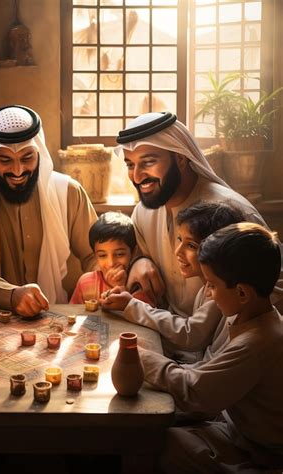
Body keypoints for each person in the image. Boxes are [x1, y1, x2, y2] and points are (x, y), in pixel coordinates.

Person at [141, 223, 283, 472]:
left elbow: (196, 392)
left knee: (164, 442)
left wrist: (140, 357)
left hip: (261, 453)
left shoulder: (257, 343)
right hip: (235, 430)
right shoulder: (251, 319)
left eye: (212, 285)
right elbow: (209, 375)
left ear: (241, 293)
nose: (208, 293)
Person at [113, 111, 283, 316]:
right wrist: (140, 262)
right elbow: (137, 254)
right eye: (130, 165)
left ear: (181, 158)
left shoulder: (228, 211)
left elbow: (275, 289)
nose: (138, 176)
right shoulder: (143, 212)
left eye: (148, 162)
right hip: (169, 335)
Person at [0, 105, 97, 316]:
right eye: (5, 160)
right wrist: (10, 295)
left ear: (39, 154)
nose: (17, 171)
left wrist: (107, 278)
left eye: (27, 158)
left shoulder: (68, 192)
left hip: (55, 314)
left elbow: (95, 254)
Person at [102, 201, 244, 363]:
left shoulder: (222, 293)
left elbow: (191, 335)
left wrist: (131, 305)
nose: (178, 251)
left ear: (216, 249)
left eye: (190, 245)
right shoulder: (206, 286)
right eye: (179, 239)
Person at [69, 211, 137, 304]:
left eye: (120, 254)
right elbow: (73, 313)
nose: (111, 263)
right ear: (95, 255)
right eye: (102, 255)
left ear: (133, 252)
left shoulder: (137, 283)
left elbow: (144, 314)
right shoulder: (85, 283)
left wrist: (121, 288)